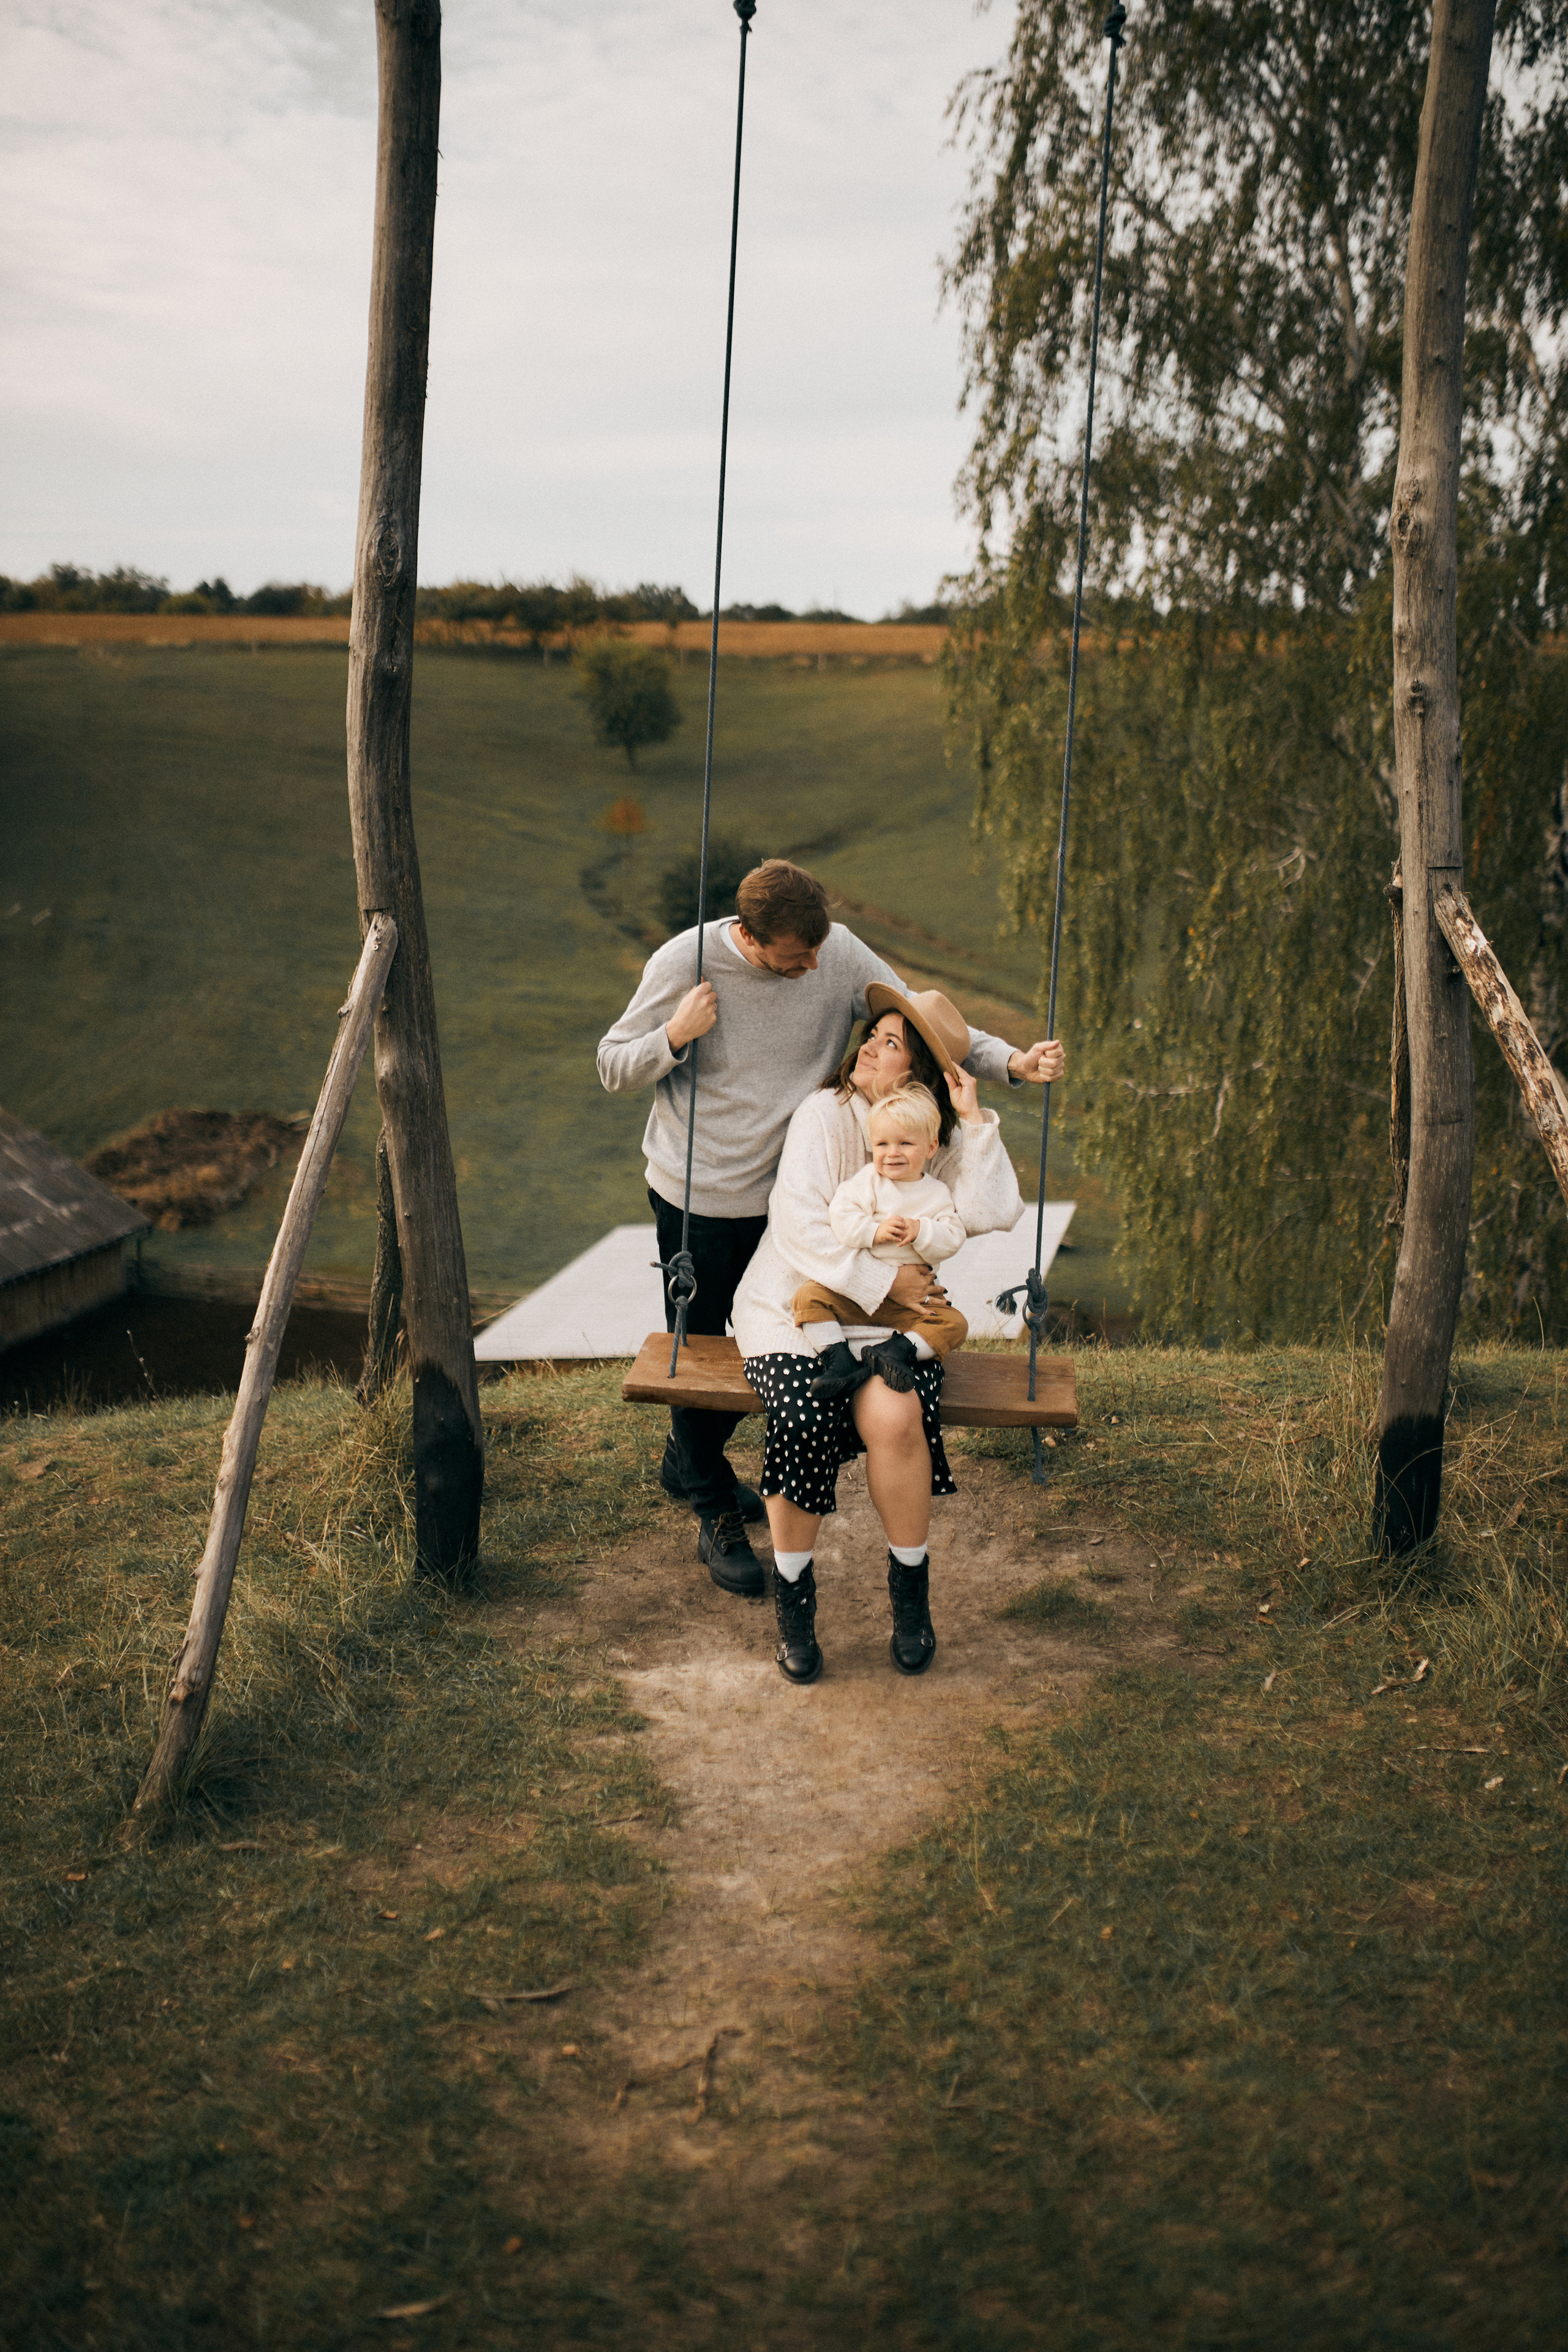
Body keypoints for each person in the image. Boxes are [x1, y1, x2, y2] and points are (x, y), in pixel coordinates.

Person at [596, 859, 1063, 1599]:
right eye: (795, 957)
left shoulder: (834, 948)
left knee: (755, 1349)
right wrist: (676, 1037)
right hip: (705, 1198)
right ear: (749, 938)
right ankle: (712, 1505)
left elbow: (922, 1021)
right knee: (704, 1348)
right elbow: (612, 1066)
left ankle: (693, 1466)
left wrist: (1009, 1060)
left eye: (818, 951)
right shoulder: (681, 963)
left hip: (802, 1190)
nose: (816, 966)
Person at [731, 982, 1067, 1683]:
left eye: (889, 1044)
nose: (869, 1047)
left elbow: (995, 1209)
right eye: (874, 1034)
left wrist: (974, 1123)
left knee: (896, 1411)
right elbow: (799, 1227)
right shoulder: (825, 1114)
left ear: (913, 1077)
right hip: (799, 1307)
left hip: (893, 1328)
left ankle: (909, 1597)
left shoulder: (926, 1136)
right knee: (799, 1414)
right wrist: (887, 1285)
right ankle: (795, 1604)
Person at [791, 1081, 968, 1403]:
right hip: (856, 1295)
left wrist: (922, 1230)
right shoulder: (867, 1183)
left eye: (905, 1143)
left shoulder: (936, 1194)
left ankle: (894, 1352)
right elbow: (842, 1219)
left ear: (930, 1148)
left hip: (909, 1305)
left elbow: (953, 1238)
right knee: (807, 1297)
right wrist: (873, 1231)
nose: (893, 1153)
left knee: (954, 1323)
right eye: (883, 1144)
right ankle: (838, 1359)